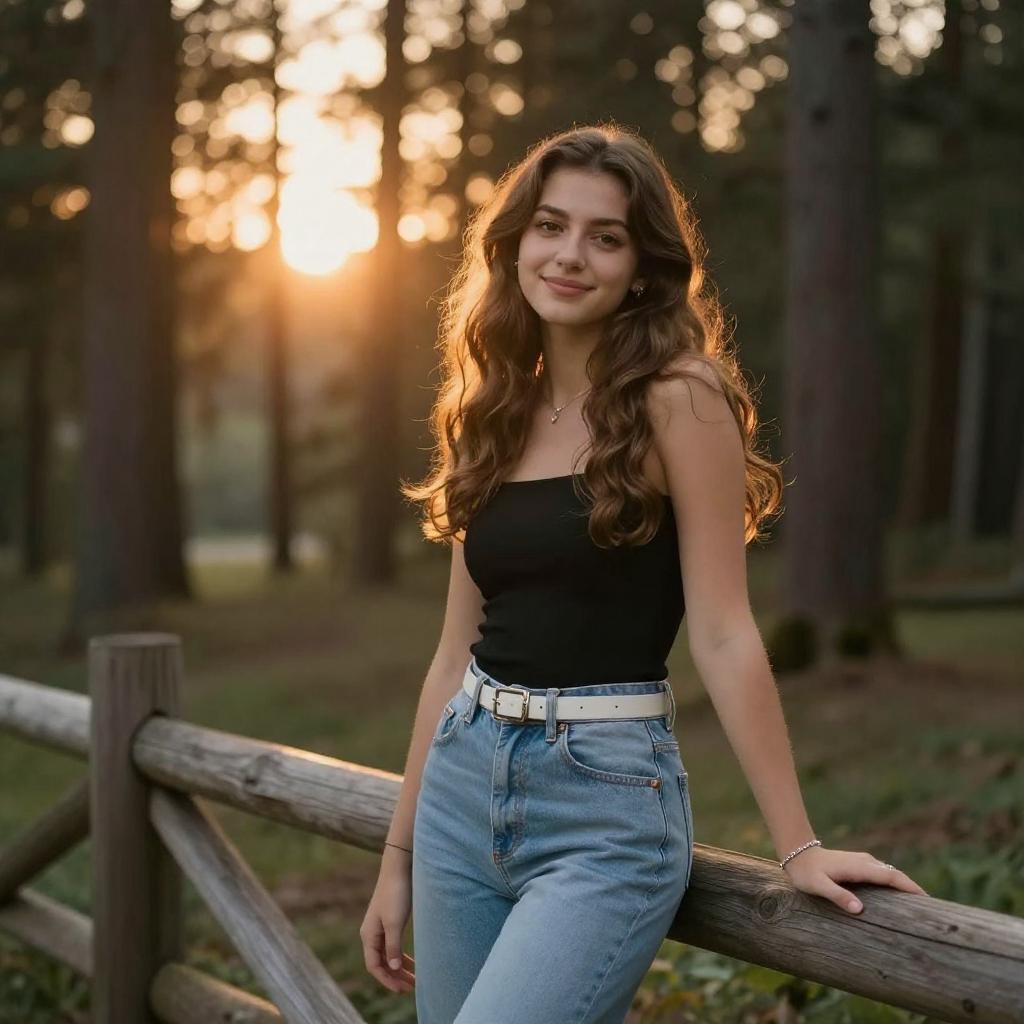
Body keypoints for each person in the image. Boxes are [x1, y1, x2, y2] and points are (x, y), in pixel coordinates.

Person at [359, 123, 927, 1023]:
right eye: (550, 226)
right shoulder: (492, 409)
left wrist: (797, 846)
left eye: (606, 235)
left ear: (642, 263)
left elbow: (726, 629)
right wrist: (397, 859)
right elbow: (452, 652)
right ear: (514, 244)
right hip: (462, 790)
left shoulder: (680, 396)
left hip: (605, 805)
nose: (570, 255)